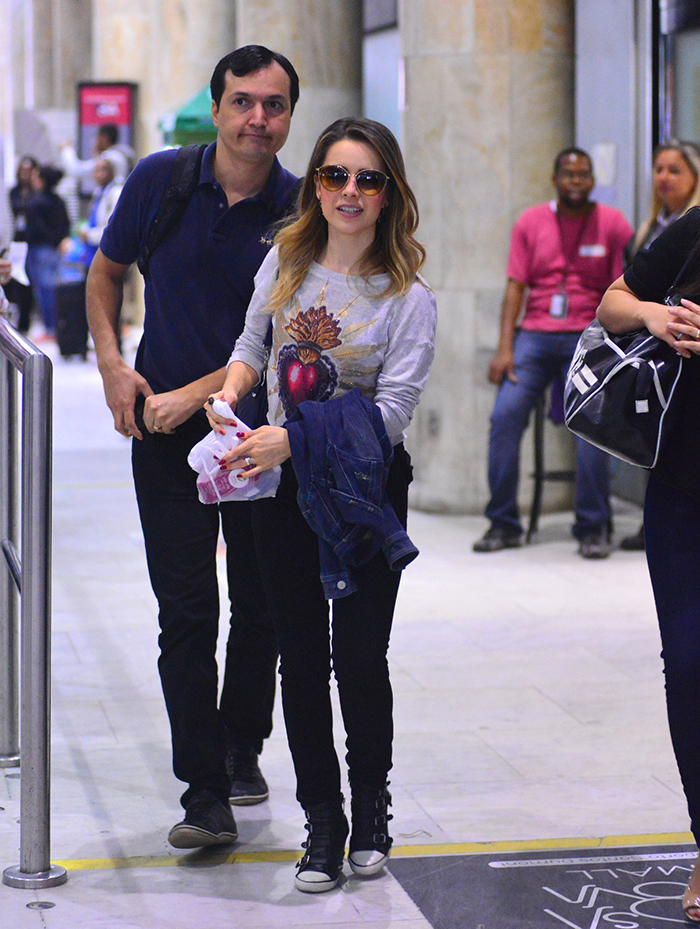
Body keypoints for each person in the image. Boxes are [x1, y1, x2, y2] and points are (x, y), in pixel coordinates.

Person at [206, 116, 437, 893]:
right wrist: (232, 395)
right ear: (314, 184)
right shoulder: (285, 259)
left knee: (359, 657)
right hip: (279, 493)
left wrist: (291, 440)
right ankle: (323, 821)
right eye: (335, 175)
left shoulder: (408, 295)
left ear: (390, 193)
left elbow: (393, 415)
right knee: (299, 657)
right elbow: (251, 346)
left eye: (368, 179)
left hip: (364, 496)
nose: (349, 191)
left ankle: (370, 809)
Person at [86, 46, 300, 848]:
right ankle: (203, 790)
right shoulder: (161, 182)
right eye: (243, 102)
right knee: (186, 610)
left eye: (273, 105)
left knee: (261, 607)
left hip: (255, 438)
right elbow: (105, 274)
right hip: (163, 435)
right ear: (216, 108)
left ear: (288, 116)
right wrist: (114, 365)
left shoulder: (299, 211)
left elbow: (280, 337)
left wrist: (199, 395)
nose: (257, 119)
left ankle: (242, 743)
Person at [597, 203, 700, 924]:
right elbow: (612, 303)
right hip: (686, 487)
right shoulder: (696, 226)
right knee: (691, 663)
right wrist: (655, 317)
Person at [472, 148, 633, 559]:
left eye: (583, 175)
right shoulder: (531, 222)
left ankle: (593, 526)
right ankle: (503, 522)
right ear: (555, 178)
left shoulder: (613, 225)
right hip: (536, 336)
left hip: (591, 335)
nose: (575, 181)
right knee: (505, 416)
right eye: (568, 174)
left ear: (593, 180)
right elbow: (515, 288)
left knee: (593, 426)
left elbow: (627, 290)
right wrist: (505, 348)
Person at [618, 139, 700, 551]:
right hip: (678, 455)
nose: (663, 178)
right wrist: (650, 314)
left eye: (675, 170)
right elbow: (614, 301)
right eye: (659, 169)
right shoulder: (683, 228)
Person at [24, 165, 70, 336]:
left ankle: (51, 328)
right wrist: (58, 240)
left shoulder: (36, 202)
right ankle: (54, 326)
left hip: (40, 249)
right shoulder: (59, 200)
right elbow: (66, 223)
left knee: (44, 290)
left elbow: (37, 228)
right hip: (54, 249)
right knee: (51, 288)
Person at [7, 156, 38, 332]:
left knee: (30, 285)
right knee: (14, 283)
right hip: (16, 243)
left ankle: (26, 322)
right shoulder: (14, 193)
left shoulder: (38, 194)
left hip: (32, 243)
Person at [61, 123, 133, 185]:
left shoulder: (109, 157)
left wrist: (66, 149)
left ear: (103, 138)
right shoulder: (122, 154)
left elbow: (76, 170)